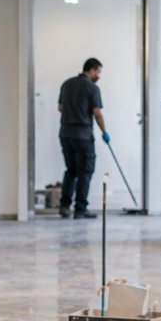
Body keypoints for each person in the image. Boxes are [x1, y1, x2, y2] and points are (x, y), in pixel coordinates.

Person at [57, 58, 109, 219]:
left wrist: (73, 113)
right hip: (83, 136)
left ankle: (64, 206)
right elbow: (97, 113)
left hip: (65, 134)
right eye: (98, 72)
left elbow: (60, 108)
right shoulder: (92, 88)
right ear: (91, 70)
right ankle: (80, 208)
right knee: (85, 171)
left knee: (71, 171)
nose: (98, 76)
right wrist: (104, 132)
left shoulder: (67, 84)